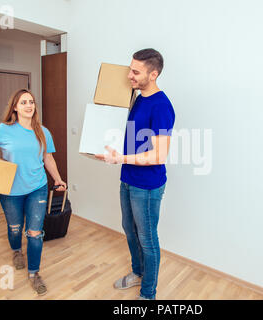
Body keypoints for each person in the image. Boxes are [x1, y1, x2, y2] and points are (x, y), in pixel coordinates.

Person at [0, 88, 67, 296]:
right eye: (23, 102)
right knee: (14, 228)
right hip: (10, 190)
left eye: (31, 102)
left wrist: (57, 179)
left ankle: (34, 274)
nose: (29, 105)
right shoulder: (4, 129)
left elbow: (48, 158)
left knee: (35, 233)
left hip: (37, 188)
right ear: (15, 107)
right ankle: (16, 251)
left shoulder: (43, 131)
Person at [95, 48, 175, 300]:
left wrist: (119, 158)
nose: (129, 75)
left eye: (135, 71)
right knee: (129, 229)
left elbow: (158, 156)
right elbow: (128, 135)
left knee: (147, 239)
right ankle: (138, 273)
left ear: (154, 74)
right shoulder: (137, 98)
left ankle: (148, 294)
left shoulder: (162, 106)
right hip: (128, 178)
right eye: (130, 69)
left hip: (148, 186)